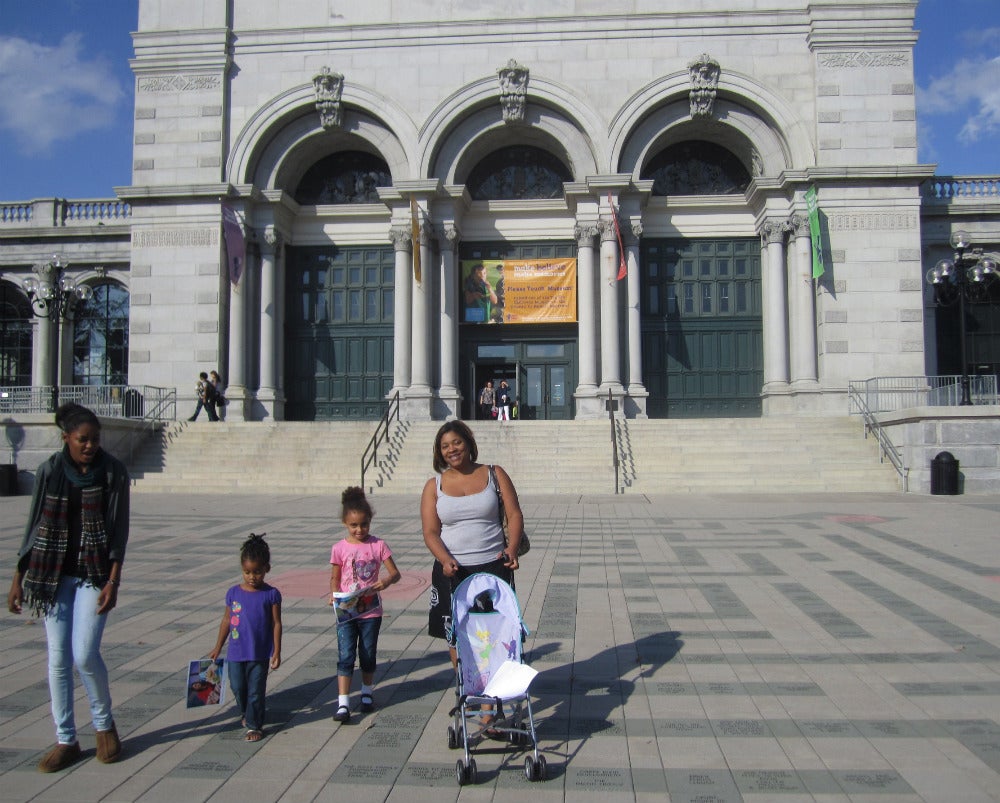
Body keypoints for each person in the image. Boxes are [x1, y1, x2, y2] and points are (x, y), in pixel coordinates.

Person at [7, 403, 130, 773]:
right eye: (83, 440)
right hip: (51, 576)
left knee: (84, 653)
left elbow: (118, 532)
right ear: (66, 439)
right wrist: (18, 577)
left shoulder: (112, 472)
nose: (90, 445)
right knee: (58, 659)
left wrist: (113, 580)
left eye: (95, 439)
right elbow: (33, 525)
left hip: (93, 574)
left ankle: (104, 725)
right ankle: (66, 739)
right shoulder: (49, 470)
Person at [421, 421, 524, 666]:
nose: (452, 449)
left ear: (468, 443)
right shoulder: (433, 486)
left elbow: (514, 514)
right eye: (445, 446)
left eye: (457, 442)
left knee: (494, 631)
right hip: (453, 571)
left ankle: (489, 696)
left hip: (493, 567)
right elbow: (431, 532)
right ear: (439, 452)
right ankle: (465, 686)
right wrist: (445, 559)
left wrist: (512, 549)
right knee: (456, 634)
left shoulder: (495, 473)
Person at [329, 487, 401, 723]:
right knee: (346, 654)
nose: (359, 530)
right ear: (345, 523)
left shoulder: (378, 545)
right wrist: (333, 594)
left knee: (367, 654)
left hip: (370, 610)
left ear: (370, 521)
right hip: (346, 610)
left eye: (364, 525)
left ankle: (367, 693)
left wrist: (386, 581)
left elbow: (395, 573)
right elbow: (335, 576)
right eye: (354, 526)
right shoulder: (339, 548)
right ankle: (343, 703)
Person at [208, 533, 282, 742]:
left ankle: (254, 725)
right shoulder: (233, 593)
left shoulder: (271, 594)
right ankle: (246, 712)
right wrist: (217, 647)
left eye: (257, 572)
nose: (252, 577)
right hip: (235, 653)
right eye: (247, 572)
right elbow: (226, 621)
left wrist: (276, 650)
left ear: (266, 568)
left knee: (256, 690)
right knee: (238, 686)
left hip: (259, 653)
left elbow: (276, 623)